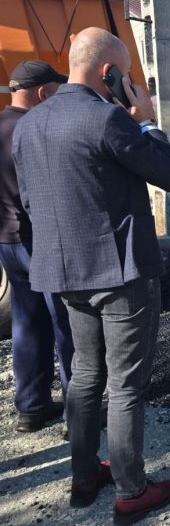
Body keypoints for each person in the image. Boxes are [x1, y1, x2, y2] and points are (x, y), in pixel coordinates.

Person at [13, 27, 170, 524]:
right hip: (120, 275)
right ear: (109, 73)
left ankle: (85, 476)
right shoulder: (109, 119)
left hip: (64, 274)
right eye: (125, 76)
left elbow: (30, 202)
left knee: (86, 374)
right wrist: (147, 121)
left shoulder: (29, 123)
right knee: (127, 384)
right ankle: (132, 491)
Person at [0, 60, 74, 433]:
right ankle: (78, 411)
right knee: (67, 322)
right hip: (40, 240)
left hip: (7, 242)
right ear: (43, 92)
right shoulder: (34, 130)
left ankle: (31, 407)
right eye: (56, 91)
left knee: (27, 322)